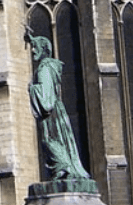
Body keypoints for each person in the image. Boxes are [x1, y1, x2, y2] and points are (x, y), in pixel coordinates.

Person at [27, 32, 90, 181]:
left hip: (51, 113)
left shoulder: (44, 68)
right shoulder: (49, 67)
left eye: (35, 47)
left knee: (49, 140)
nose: (33, 51)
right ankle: (63, 169)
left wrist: (31, 89)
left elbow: (46, 94)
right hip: (56, 111)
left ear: (43, 49)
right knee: (55, 140)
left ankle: (63, 168)